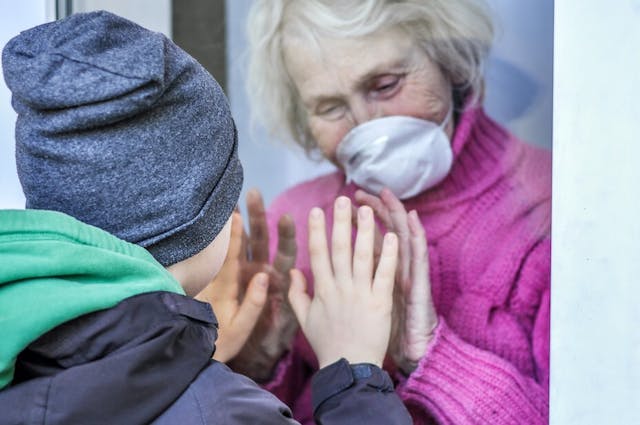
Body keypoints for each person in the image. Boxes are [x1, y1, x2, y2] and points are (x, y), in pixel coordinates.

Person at [0, 11, 413, 424]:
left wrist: (198, 358)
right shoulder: (224, 411)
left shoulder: (20, 347)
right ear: (201, 219)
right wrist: (358, 375)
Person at [217, 0, 551, 423]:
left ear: (450, 62)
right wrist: (259, 365)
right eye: (330, 107)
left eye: (386, 84)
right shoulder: (300, 222)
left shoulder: (555, 208)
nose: (366, 128)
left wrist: (431, 352)